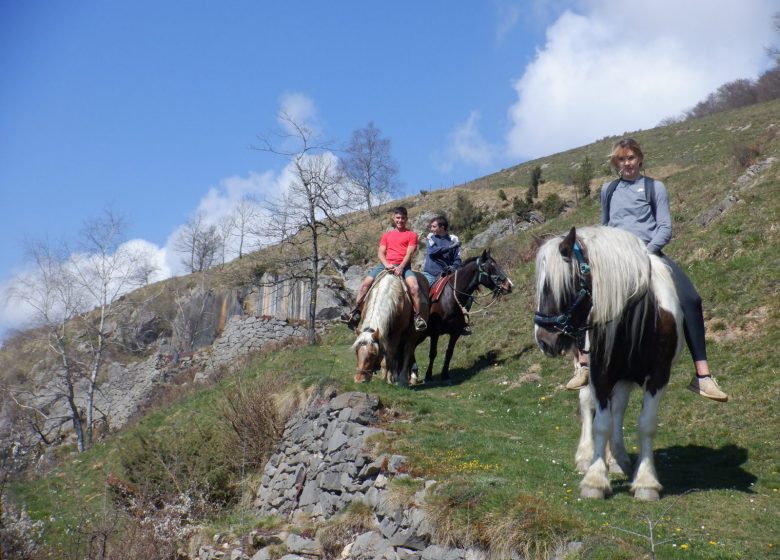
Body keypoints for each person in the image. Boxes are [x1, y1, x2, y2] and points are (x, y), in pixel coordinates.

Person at [566, 138, 728, 402]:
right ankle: (583, 364)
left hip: (649, 253)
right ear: (615, 162)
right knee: (580, 293)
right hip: (616, 258)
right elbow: (605, 225)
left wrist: (647, 252)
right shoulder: (608, 190)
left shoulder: (655, 187)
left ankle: (703, 376)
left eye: (630, 158)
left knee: (690, 299)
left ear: (640, 159)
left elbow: (664, 227)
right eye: (621, 159)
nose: (626, 163)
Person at [341, 206, 427, 331]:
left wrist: (401, 267)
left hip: (404, 266)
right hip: (385, 265)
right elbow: (380, 252)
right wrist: (387, 264)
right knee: (365, 285)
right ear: (393, 218)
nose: (400, 220)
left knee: (414, 287)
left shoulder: (412, 235)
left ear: (406, 219)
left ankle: (417, 317)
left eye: (403, 218)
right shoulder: (387, 235)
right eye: (398, 217)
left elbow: (409, 254)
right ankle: (356, 314)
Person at [422, 215, 471, 336]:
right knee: (420, 291)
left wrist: (454, 267)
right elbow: (432, 252)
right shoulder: (430, 237)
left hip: (448, 275)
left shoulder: (453, 239)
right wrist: (450, 247)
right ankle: (419, 319)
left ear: (442, 227)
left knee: (468, 296)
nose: (431, 229)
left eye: (434, 226)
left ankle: (461, 323)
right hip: (430, 274)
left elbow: (457, 259)